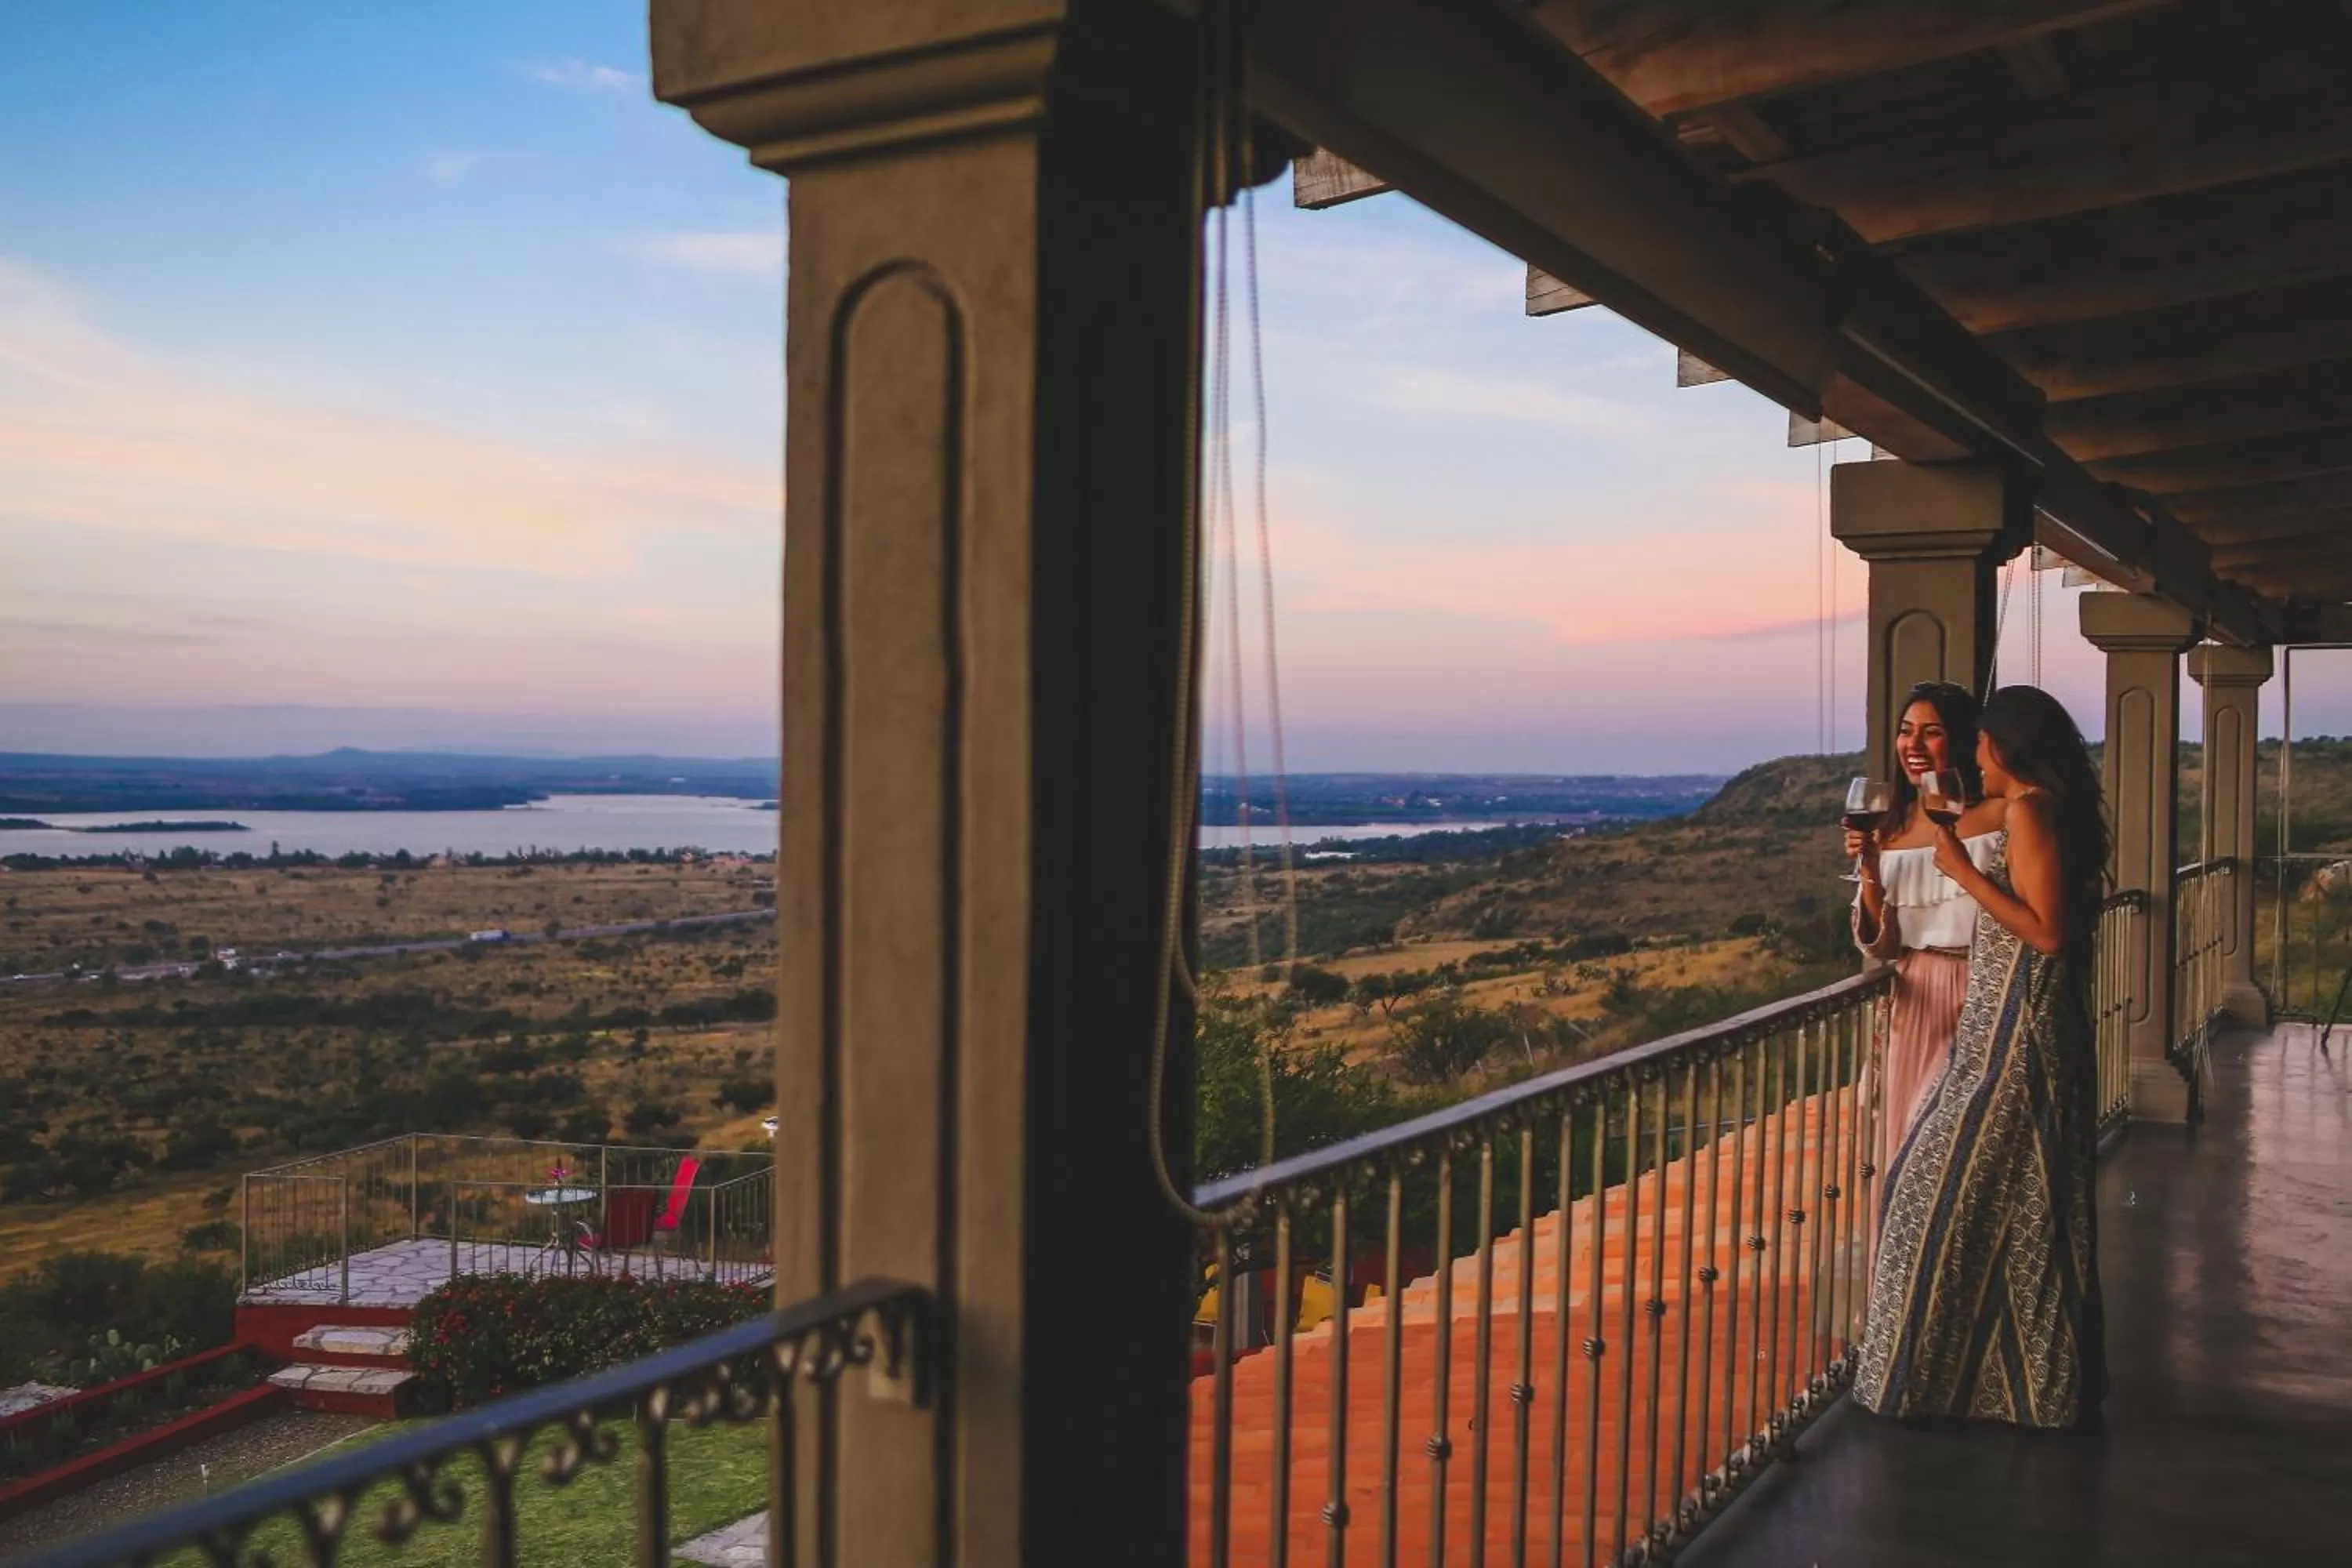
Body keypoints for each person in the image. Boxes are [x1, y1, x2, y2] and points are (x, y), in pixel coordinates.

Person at [1853, 684, 2109, 1429]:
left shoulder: (2026, 811)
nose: (1963, 753)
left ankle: (1918, 1377)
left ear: (1996, 744)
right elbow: (1943, 840)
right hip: (1999, 1024)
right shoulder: (2019, 807)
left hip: (2014, 1024)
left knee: (1925, 1192)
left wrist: (1960, 870)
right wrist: (1879, 857)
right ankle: (2021, 1387)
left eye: (1963, 739)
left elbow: (2049, 932)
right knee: (2025, 1206)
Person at [1846, 682, 2007, 1183]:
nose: (1912, 745)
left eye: (1931, 733)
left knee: (1962, 1155)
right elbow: (1880, 942)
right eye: (1905, 731)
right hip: (1914, 1000)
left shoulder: (2002, 815)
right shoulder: (1891, 824)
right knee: (1908, 1151)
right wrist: (1870, 864)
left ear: (1961, 741)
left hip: (1986, 991)